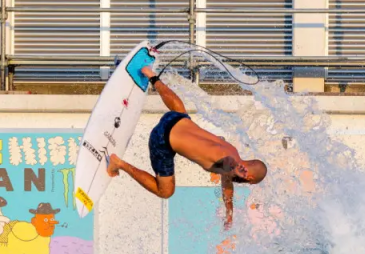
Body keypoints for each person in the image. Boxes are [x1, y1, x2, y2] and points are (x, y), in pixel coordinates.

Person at [106, 67, 267, 227]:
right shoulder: (230, 164)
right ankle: (118, 163)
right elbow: (229, 167)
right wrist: (236, 169)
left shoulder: (233, 153)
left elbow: (227, 184)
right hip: (161, 139)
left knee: (181, 111)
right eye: (245, 166)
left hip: (173, 118)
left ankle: (152, 76)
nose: (242, 167)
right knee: (165, 191)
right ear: (250, 180)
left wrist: (229, 212)